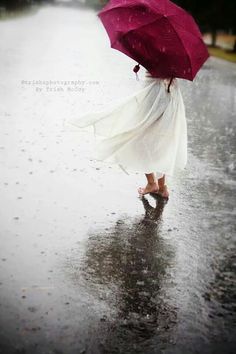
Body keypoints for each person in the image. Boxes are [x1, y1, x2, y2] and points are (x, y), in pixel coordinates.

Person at [67, 68, 187, 199]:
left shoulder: (153, 52)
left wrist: (140, 64)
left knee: (139, 138)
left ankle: (152, 183)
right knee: (161, 142)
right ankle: (162, 187)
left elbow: (151, 64)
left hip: (153, 94)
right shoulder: (173, 57)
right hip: (170, 95)